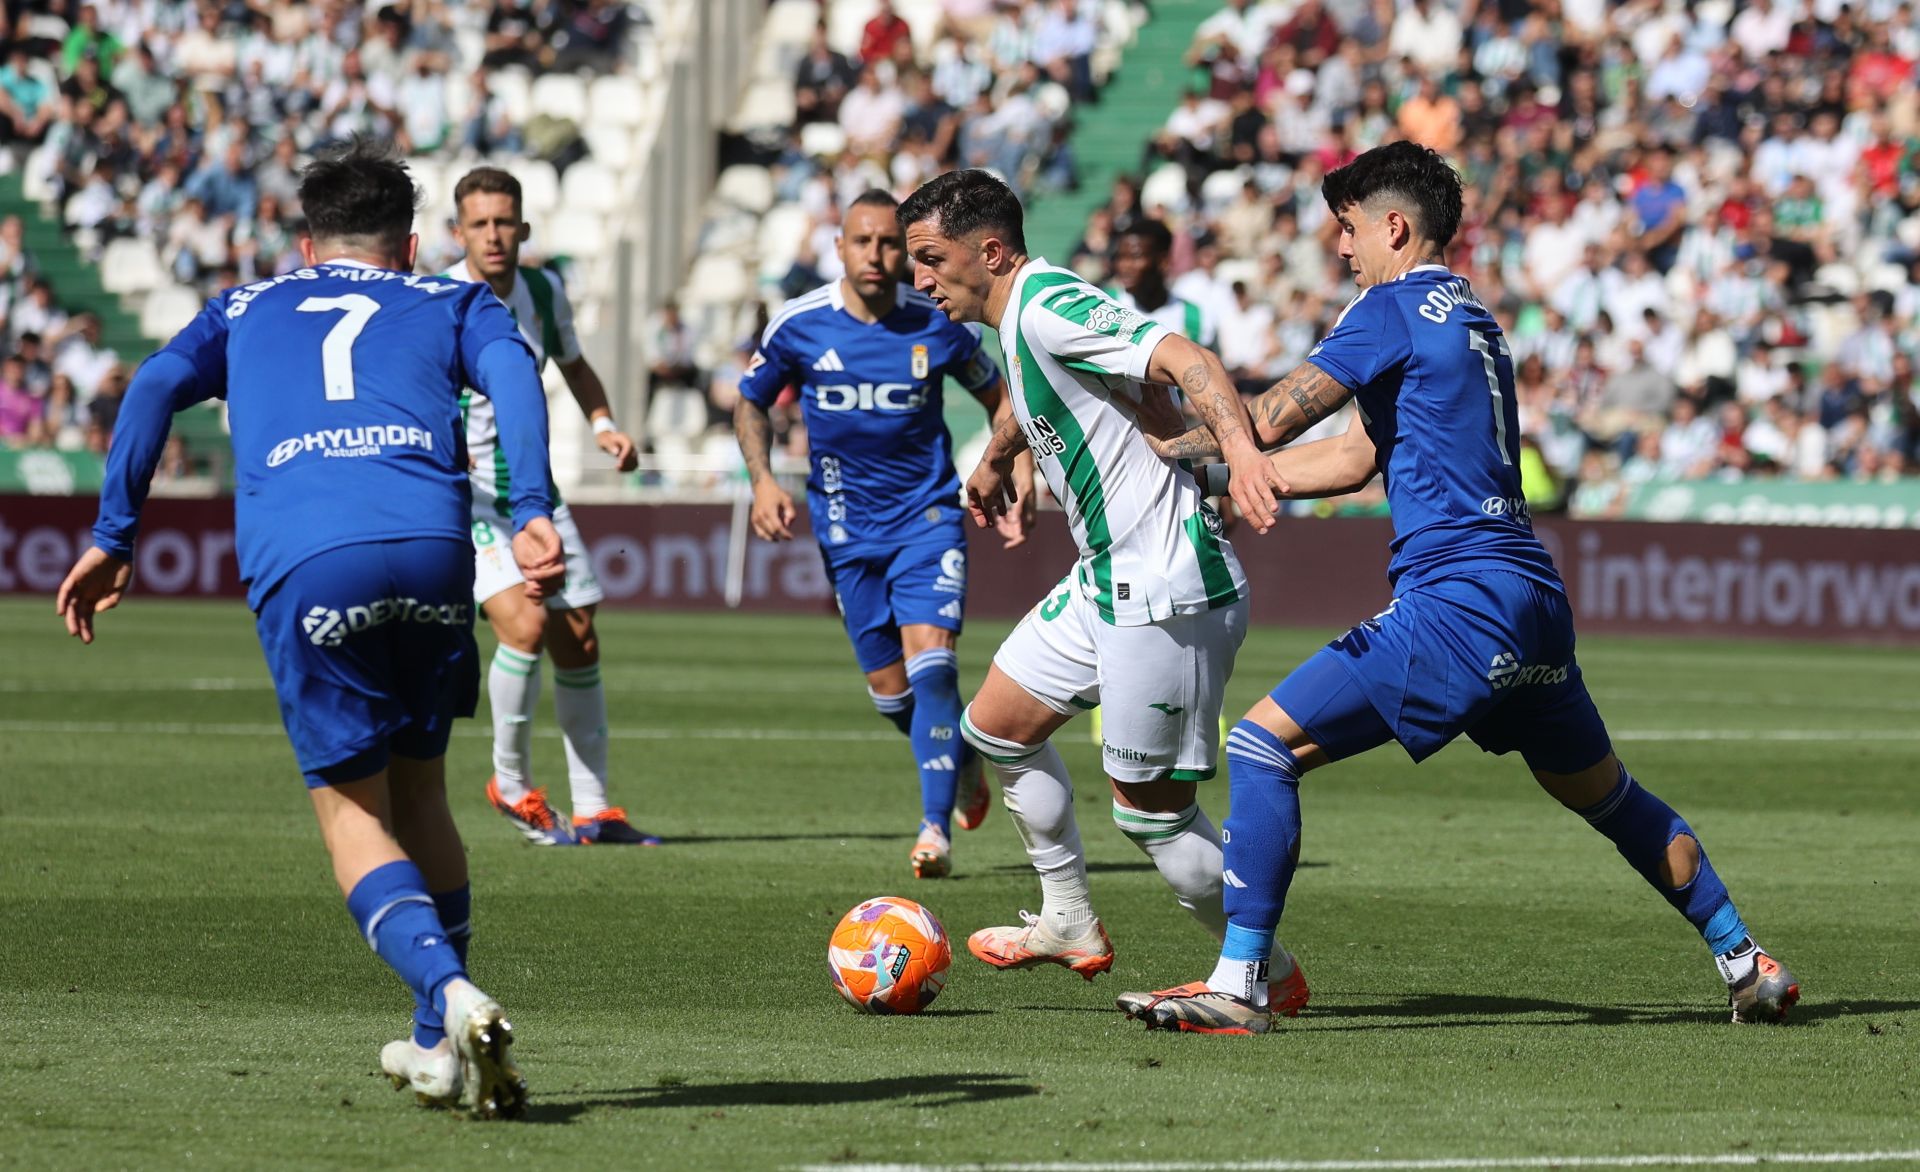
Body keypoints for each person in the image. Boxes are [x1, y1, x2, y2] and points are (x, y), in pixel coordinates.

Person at [1118, 142, 1798, 1034]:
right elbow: (1358, 455)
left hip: (1459, 597)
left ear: (1394, 227)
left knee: (1260, 748)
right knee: (1610, 796)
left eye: (1350, 228)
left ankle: (1240, 984)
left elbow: (1269, 418)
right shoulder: (1470, 315)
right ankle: (1747, 961)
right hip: (1531, 598)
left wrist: (1163, 448)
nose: (1343, 248)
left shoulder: (1388, 307)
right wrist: (1224, 477)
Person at [55, 138, 559, 1115]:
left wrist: (116, 531)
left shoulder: (245, 305)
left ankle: (450, 997)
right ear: (410, 245)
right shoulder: (452, 300)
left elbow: (153, 385)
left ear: (304, 239)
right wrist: (531, 501)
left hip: (313, 555)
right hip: (431, 549)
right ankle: (435, 1049)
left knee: (352, 813)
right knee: (423, 794)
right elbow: (515, 377)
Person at [896, 168, 1301, 989]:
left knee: (1151, 816)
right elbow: (1034, 387)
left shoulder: (1047, 303)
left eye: (931, 259)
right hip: (1106, 577)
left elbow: (1185, 358)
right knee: (998, 728)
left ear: (993, 250)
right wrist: (997, 455)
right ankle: (1068, 918)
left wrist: (1246, 453)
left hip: (1165, 586)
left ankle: (1261, 971)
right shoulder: (1016, 322)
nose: (920, 280)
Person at [733, 189, 1015, 879]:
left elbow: (999, 393)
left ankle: (933, 828)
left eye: (890, 243)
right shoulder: (800, 326)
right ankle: (962, 761)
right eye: (863, 242)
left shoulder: (936, 322)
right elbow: (750, 401)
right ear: (840, 248)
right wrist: (763, 480)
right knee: (893, 696)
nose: (877, 255)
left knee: (936, 668)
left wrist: (1012, 462)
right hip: (844, 532)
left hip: (927, 520)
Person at [444, 166, 655, 847]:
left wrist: (603, 423)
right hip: (468, 494)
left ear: (524, 227)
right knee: (526, 627)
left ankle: (593, 810)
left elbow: (573, 363)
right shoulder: (437, 298)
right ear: (459, 232)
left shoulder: (541, 288)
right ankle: (510, 788)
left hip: (536, 494)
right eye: (479, 223)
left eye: (504, 221)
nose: (494, 235)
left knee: (579, 637)